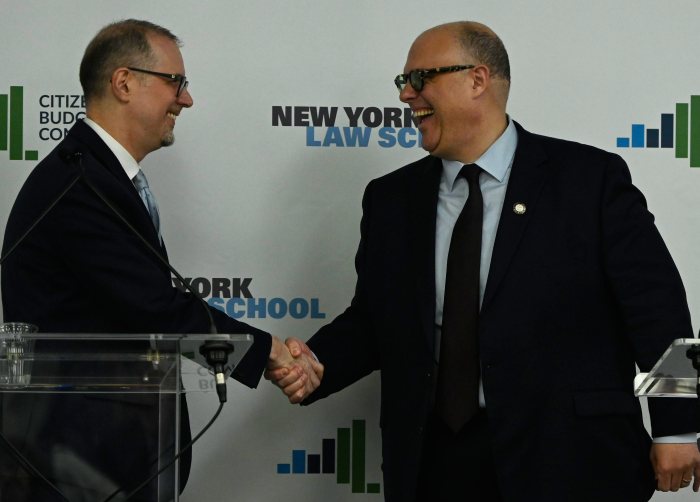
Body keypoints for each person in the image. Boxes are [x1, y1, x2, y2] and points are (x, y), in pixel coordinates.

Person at [268, 21, 700, 502]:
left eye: (420, 79)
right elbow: (375, 320)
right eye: (402, 83)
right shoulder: (391, 199)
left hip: (569, 459)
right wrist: (314, 364)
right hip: (435, 464)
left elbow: (660, 313)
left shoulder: (589, 180)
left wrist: (677, 430)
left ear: (477, 80)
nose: (406, 96)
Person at [0, 19, 319, 502]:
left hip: (101, 459)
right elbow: (156, 307)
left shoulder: (96, 176)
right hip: (74, 464)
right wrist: (269, 351)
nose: (186, 100)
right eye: (177, 82)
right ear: (124, 82)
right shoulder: (80, 188)